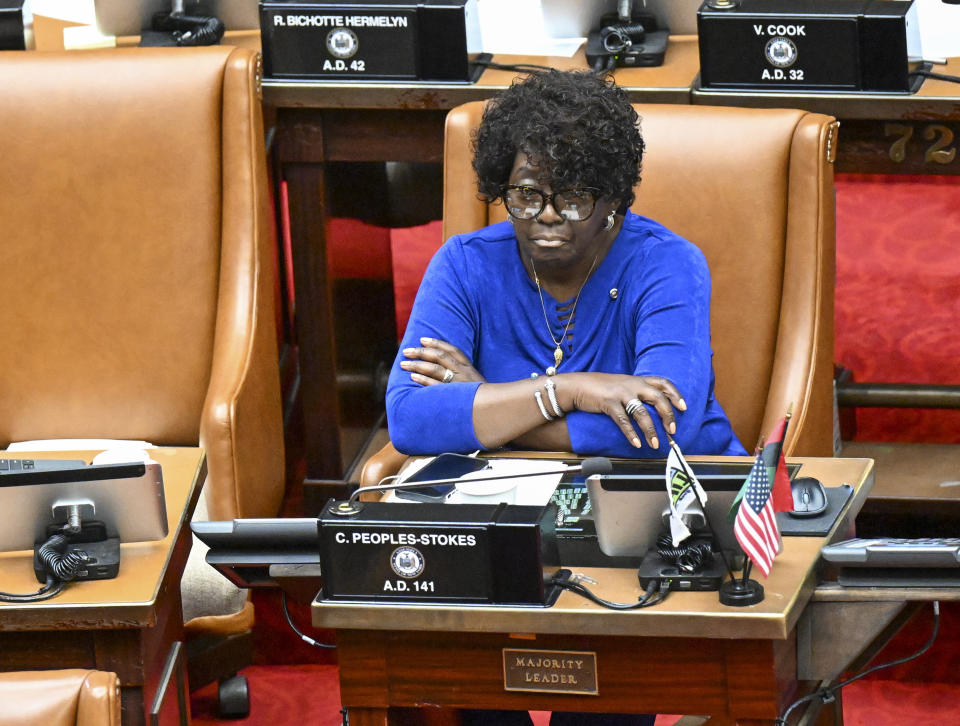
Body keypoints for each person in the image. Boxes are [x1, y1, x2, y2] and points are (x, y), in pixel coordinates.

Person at [386, 69, 746, 463]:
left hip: (664, 491)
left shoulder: (667, 263)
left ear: (612, 197)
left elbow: (661, 427)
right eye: (526, 193)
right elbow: (409, 419)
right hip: (507, 492)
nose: (548, 215)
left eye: (573, 195)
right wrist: (568, 390)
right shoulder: (464, 264)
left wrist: (490, 406)